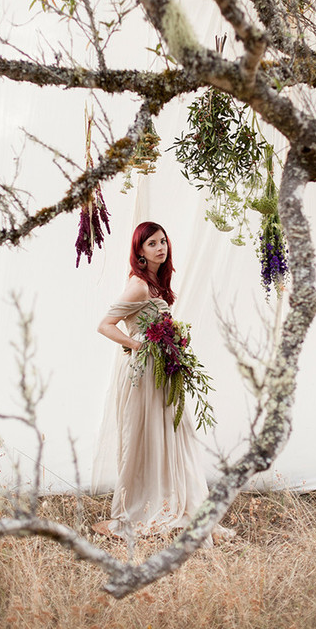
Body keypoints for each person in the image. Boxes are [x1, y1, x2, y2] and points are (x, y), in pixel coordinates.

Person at [92, 221, 210, 539]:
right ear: (140, 252)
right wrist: (139, 344)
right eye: (152, 244)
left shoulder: (156, 283)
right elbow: (105, 325)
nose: (161, 248)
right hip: (142, 371)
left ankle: (169, 499)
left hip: (160, 368)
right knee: (143, 436)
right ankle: (140, 506)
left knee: (169, 432)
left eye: (163, 242)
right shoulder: (139, 286)